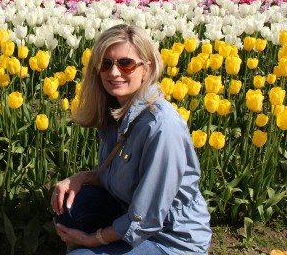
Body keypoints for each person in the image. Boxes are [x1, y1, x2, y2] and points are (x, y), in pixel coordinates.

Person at [52, 24, 211, 254]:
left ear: (146, 68)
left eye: (125, 64)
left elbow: (145, 217)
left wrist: (92, 239)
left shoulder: (161, 127)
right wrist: (83, 178)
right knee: (68, 207)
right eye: (106, 64)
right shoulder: (116, 111)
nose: (114, 72)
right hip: (125, 212)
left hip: (170, 239)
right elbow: (121, 178)